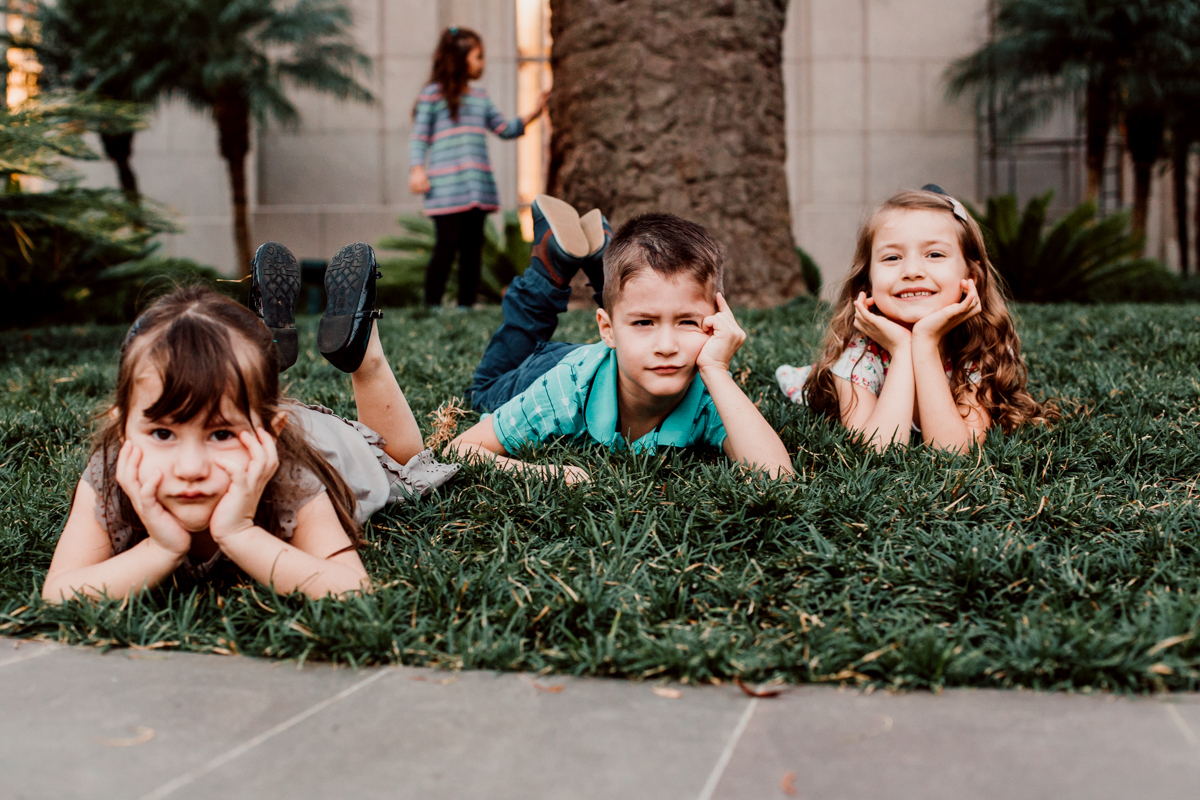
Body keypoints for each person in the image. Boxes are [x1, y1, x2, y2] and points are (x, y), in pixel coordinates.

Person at [42, 243, 458, 603]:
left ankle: (364, 357)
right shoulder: (112, 469)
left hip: (327, 443)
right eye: (163, 433)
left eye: (220, 435)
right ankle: (259, 357)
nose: (191, 467)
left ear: (269, 435)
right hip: (244, 407)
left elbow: (351, 589)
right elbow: (59, 591)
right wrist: (162, 548)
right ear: (122, 432)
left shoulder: (291, 474)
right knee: (234, 396)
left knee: (402, 461)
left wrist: (239, 533)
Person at [450, 194, 794, 482]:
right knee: (482, 393)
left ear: (717, 324)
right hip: (548, 370)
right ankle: (547, 269)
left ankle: (607, 263)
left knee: (634, 296)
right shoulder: (564, 391)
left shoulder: (708, 393)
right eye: (645, 322)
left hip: (617, 358)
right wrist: (548, 473)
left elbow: (777, 478)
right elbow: (461, 448)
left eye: (688, 322)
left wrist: (717, 370)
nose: (667, 347)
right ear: (607, 330)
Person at [775, 188, 1057, 453]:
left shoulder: (979, 347)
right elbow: (878, 449)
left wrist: (925, 341)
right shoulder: (858, 353)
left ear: (971, 277)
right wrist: (901, 348)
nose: (912, 271)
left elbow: (953, 450)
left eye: (934, 254)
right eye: (892, 257)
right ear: (867, 281)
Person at [409, 26, 547, 310]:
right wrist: (417, 169)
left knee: (472, 249)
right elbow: (419, 137)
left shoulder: (480, 97)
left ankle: (466, 306)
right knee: (446, 245)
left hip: (477, 189)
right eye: (478, 56)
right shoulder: (432, 96)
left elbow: (504, 128)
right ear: (460, 59)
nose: (483, 63)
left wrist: (534, 113)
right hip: (446, 191)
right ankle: (431, 305)